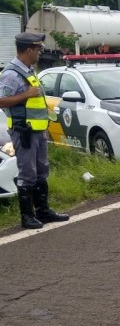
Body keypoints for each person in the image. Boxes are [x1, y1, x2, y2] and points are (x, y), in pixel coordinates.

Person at [0, 32, 70, 229]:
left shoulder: (28, 70)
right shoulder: (12, 74)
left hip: (38, 130)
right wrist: (26, 94)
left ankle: (43, 211)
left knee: (41, 170)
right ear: (29, 50)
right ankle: (27, 216)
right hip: (24, 131)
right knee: (28, 173)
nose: (40, 52)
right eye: (38, 49)